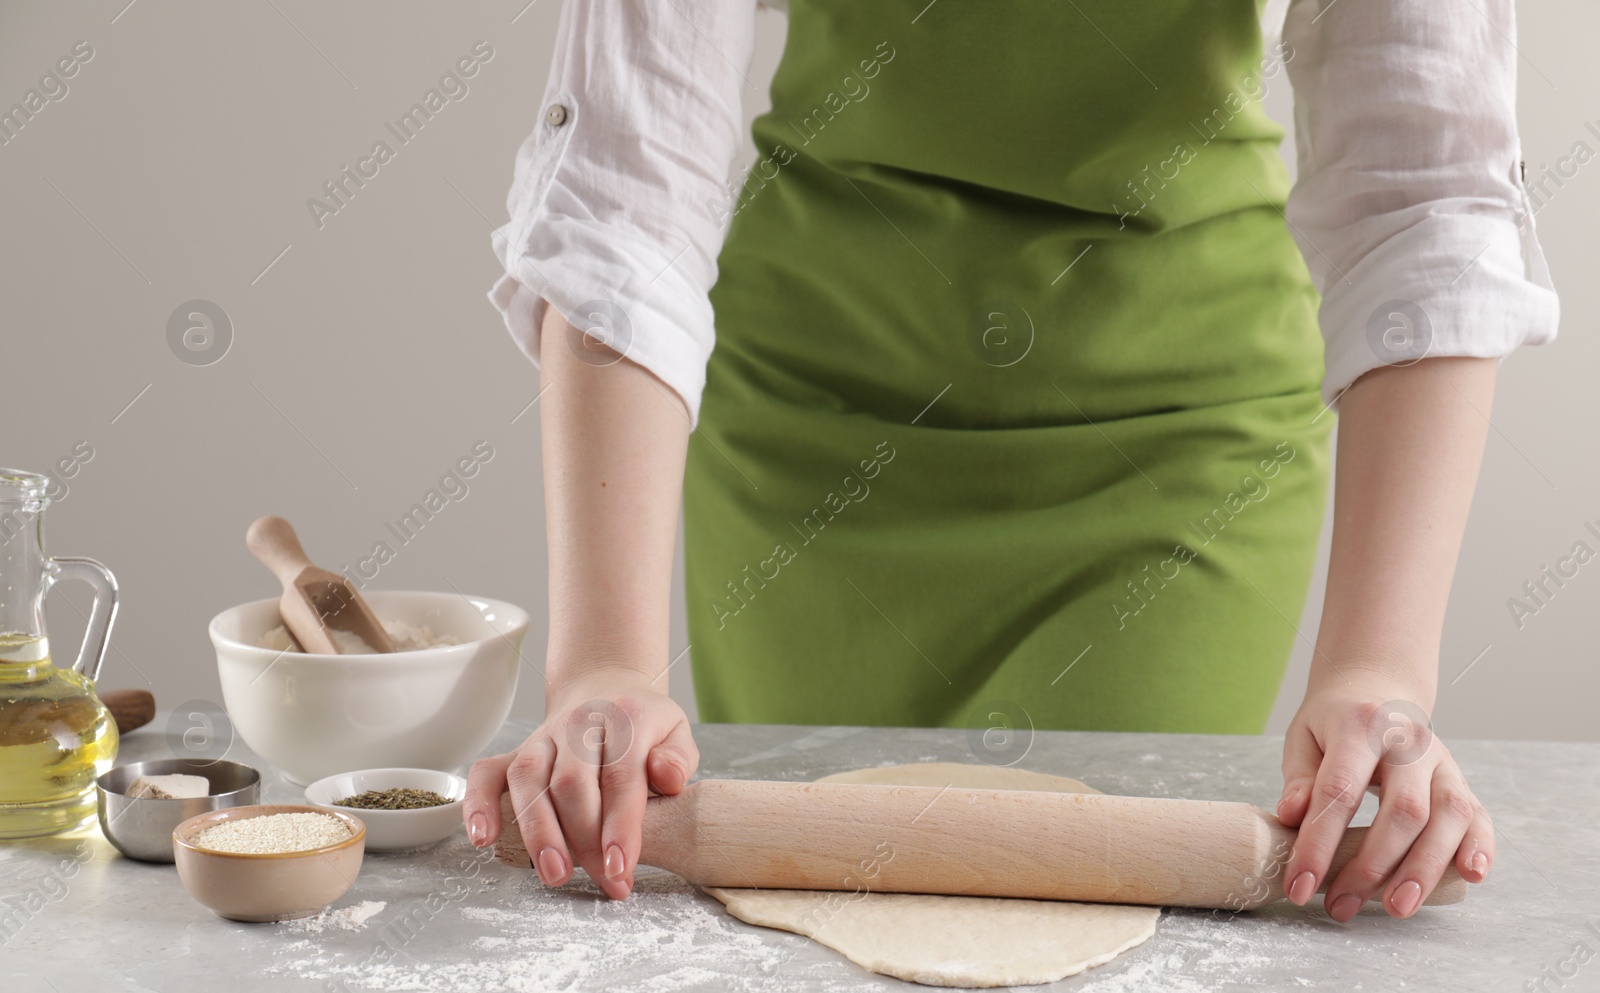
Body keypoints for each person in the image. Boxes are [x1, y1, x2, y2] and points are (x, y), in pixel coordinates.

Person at [463, 0, 1558, 922]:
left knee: (1096, 940)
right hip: (812, 438)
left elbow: (1424, 194)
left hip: (1171, 449)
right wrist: (606, 665)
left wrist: (1378, 675)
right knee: (818, 931)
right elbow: (627, 190)